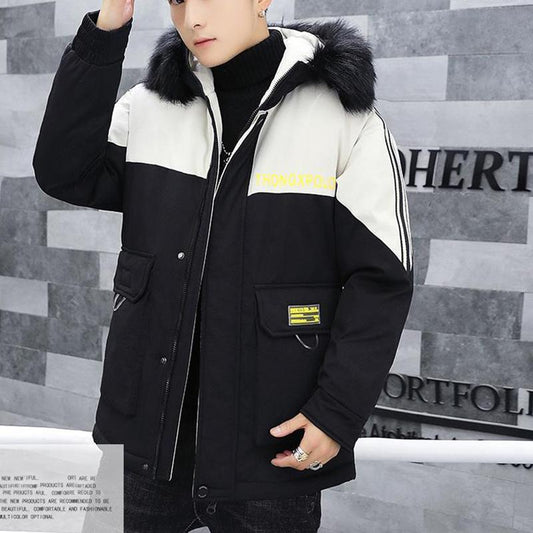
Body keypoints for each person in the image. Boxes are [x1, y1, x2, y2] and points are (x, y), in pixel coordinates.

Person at [32, 0, 414, 531]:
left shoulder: (344, 119)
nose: (193, 18)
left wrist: (336, 412)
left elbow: (382, 279)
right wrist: (109, 24)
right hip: (144, 443)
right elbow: (63, 171)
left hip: (271, 449)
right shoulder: (149, 105)